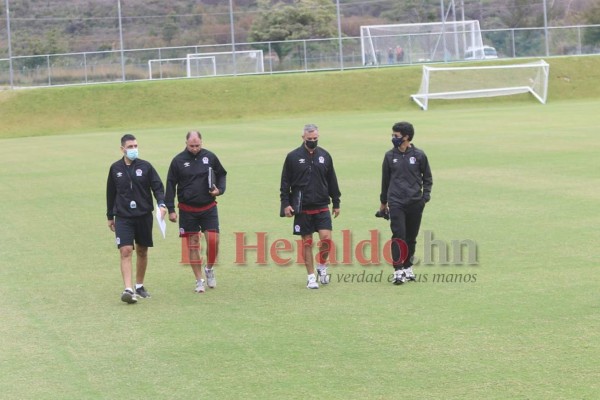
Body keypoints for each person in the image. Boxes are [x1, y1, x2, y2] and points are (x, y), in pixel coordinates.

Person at [106, 134, 167, 304]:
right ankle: (128, 289)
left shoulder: (146, 167)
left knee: (142, 250)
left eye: (135, 146)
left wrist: (162, 203)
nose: (134, 149)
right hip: (123, 216)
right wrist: (110, 216)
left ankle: (139, 286)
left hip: (143, 215)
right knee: (125, 250)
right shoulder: (115, 168)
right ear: (122, 149)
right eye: (130, 147)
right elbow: (111, 193)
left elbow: (157, 187)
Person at [280, 124, 341, 289]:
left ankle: (322, 266)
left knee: (326, 239)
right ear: (303, 138)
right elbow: (285, 183)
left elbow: (332, 180)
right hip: (303, 206)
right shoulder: (293, 157)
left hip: (321, 204)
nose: (312, 141)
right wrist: (286, 204)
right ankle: (311, 276)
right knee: (307, 242)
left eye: (315, 139)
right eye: (309, 139)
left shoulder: (325, 155)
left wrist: (336, 202)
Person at [165, 131, 227, 294]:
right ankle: (199, 280)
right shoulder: (178, 161)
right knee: (193, 246)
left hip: (208, 207)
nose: (194, 148)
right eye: (191, 146)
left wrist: (219, 190)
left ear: (202, 142)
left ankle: (209, 269)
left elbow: (222, 174)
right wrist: (171, 209)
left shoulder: (210, 157)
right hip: (187, 210)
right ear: (186, 143)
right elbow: (170, 185)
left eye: (197, 145)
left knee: (214, 241)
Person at [379, 122, 432, 285]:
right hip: (396, 202)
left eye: (396, 135)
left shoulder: (419, 155)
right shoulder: (389, 156)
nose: (393, 138)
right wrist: (383, 203)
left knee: (411, 237)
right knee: (398, 235)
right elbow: (385, 181)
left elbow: (427, 178)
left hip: (415, 202)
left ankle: (408, 267)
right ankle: (398, 270)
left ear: (406, 137)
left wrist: (425, 198)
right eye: (393, 135)